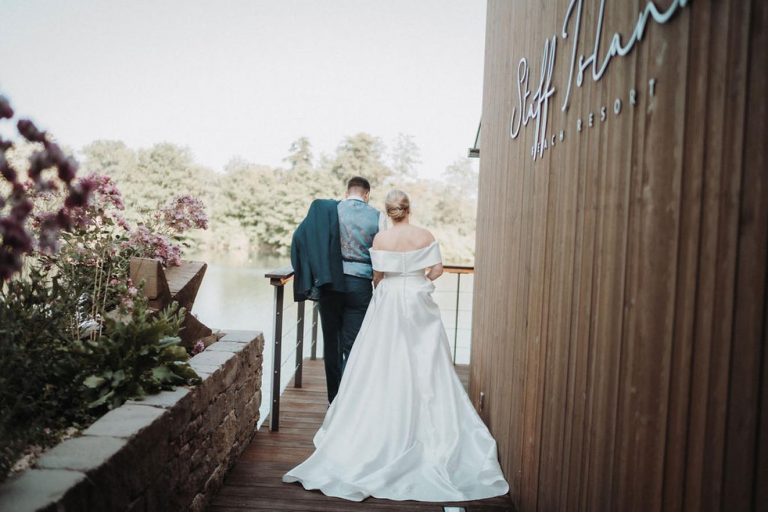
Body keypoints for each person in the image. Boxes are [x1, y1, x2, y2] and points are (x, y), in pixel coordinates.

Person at [283, 190, 509, 502]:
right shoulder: (425, 234)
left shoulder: (381, 240)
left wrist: (387, 285)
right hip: (418, 299)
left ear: (388, 213)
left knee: (384, 359)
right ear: (408, 209)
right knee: (427, 361)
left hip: (389, 300)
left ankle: (384, 416)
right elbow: (437, 269)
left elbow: (377, 276)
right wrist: (422, 281)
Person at [317, 176, 386, 404]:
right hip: (360, 283)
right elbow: (380, 255)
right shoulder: (377, 216)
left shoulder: (332, 210)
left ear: (347, 192)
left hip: (331, 282)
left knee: (331, 342)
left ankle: (333, 398)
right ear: (367, 195)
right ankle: (348, 402)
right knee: (354, 344)